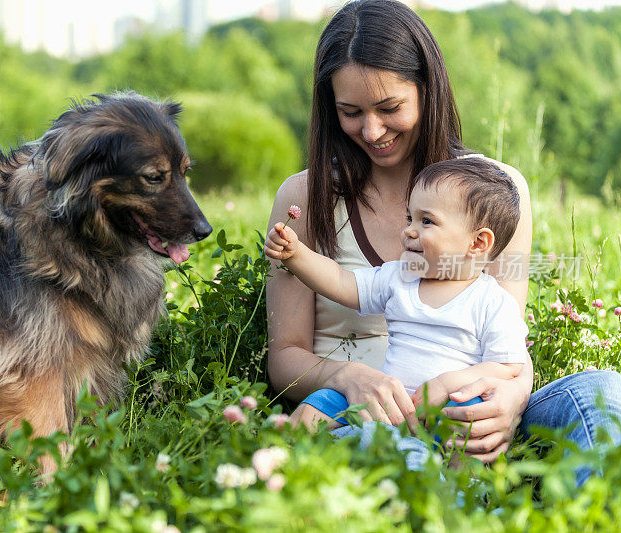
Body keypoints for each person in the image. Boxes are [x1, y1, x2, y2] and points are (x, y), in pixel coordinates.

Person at [265, 0, 621, 485]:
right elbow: (284, 354)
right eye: (350, 112)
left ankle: (588, 511)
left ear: (428, 91)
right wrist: (344, 378)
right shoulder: (305, 196)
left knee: (603, 394)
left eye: (390, 107)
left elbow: (508, 348)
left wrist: (511, 403)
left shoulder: (495, 193)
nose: (372, 131)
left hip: (465, 420)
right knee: (375, 447)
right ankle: (455, 504)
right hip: (364, 421)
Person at [266, 157, 528, 431]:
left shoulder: (493, 302)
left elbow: (506, 364)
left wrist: (447, 384)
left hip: (448, 406)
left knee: (468, 422)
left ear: (477, 243)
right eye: (409, 217)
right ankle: (280, 458)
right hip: (385, 404)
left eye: (426, 221)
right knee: (318, 404)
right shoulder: (399, 277)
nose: (409, 230)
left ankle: (458, 474)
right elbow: (341, 281)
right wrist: (296, 255)